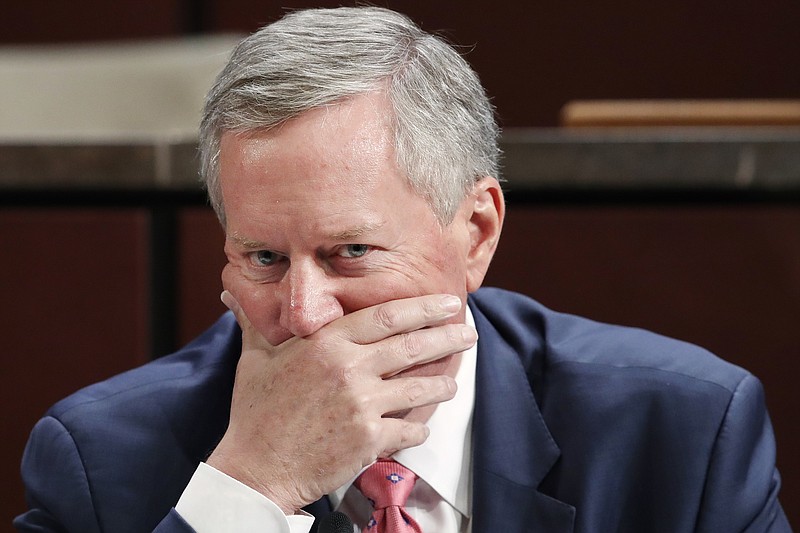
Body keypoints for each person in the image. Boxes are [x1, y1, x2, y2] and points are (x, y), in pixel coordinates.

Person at [15, 6, 790, 533]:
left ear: (477, 232)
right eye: (264, 257)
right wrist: (250, 490)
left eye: (350, 251)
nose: (306, 312)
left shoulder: (684, 432)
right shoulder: (98, 459)